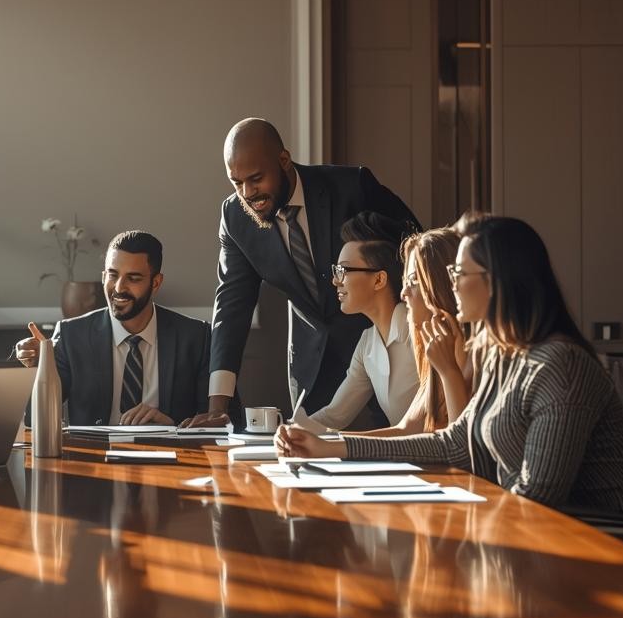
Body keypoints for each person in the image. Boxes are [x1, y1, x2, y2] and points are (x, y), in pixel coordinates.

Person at [276, 214, 623, 519]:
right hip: (550, 533)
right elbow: (454, 442)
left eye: (459, 274)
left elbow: (539, 496)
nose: (451, 285)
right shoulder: (501, 355)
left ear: (499, 282)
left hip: (619, 543)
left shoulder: (560, 365)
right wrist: (330, 449)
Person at [184, 118, 419, 427]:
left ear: (283, 161)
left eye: (256, 178)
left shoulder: (352, 187)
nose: (247, 193)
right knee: (309, 448)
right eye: (236, 183)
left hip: (389, 347)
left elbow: (416, 248)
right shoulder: (235, 217)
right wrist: (218, 406)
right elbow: (232, 306)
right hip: (312, 360)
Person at [284, 225, 474, 451]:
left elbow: (458, 447)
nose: (404, 292)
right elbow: (406, 429)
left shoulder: (444, 342)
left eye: (414, 281)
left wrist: (327, 446)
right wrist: (296, 434)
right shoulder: (421, 345)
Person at [13, 230, 213, 426]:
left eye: (133, 278)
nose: (119, 288)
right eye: (112, 275)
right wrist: (44, 368)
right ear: (103, 277)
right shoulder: (72, 335)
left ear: (156, 283)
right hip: (93, 456)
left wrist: (171, 426)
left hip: (176, 455)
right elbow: (35, 419)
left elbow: (219, 421)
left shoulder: (196, 337)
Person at [292, 211, 418, 432]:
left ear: (379, 279)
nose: (334, 280)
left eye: (343, 270)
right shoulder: (368, 341)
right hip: (403, 459)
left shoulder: (419, 330)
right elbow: (334, 416)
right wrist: (288, 432)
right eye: (336, 270)